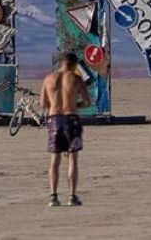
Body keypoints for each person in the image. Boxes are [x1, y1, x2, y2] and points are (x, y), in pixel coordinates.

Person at [41, 52, 91, 207]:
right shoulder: (76, 79)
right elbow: (87, 102)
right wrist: (75, 105)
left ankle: (53, 196)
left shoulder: (49, 78)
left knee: (54, 160)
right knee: (72, 159)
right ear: (74, 64)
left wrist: (55, 106)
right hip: (71, 119)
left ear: (60, 62)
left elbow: (43, 103)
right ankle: (71, 195)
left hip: (54, 119)